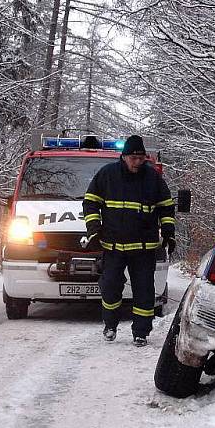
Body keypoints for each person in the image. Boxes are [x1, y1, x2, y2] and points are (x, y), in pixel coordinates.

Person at [82, 135, 176, 345]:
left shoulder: (153, 178)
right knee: (110, 287)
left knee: (144, 291)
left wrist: (169, 233)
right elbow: (90, 203)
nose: (137, 162)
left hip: (144, 249)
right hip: (113, 246)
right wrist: (94, 230)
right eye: (133, 158)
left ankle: (141, 332)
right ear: (124, 157)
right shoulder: (107, 175)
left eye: (141, 158)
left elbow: (167, 207)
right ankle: (110, 325)